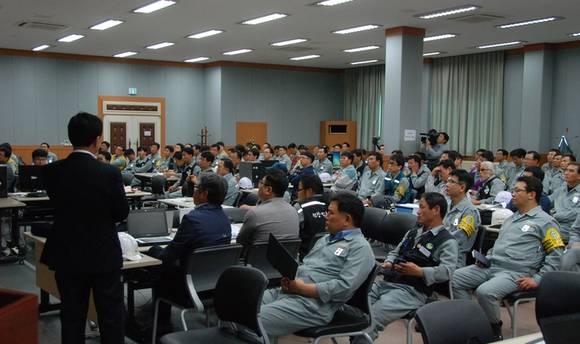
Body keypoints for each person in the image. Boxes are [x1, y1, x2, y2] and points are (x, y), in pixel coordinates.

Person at [41, 112, 129, 344]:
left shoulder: (52, 171)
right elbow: (121, 213)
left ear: (71, 138)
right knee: (110, 316)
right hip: (103, 253)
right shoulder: (109, 173)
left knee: (71, 316)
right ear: (98, 140)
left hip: (66, 251)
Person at [452, 176, 564, 339]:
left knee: (485, 292)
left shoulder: (546, 222)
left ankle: (493, 330)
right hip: (491, 265)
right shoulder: (511, 218)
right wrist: (486, 257)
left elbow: (556, 255)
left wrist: (538, 279)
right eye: (513, 190)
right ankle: (474, 320)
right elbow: (499, 245)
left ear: (532, 195)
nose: (513, 194)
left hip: (515, 273)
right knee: (455, 278)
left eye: (517, 190)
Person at [260, 193, 374, 341]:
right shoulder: (325, 239)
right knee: (238, 307)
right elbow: (307, 266)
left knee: (250, 321)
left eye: (331, 213)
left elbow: (344, 287)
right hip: (290, 292)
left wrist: (303, 289)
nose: (326, 216)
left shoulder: (360, 248)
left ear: (347, 219)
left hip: (313, 305)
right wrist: (291, 280)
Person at [353, 192, 458, 343]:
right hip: (388, 282)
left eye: (422, 207)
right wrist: (389, 261)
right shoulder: (414, 231)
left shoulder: (447, 241)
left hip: (411, 291)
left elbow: (447, 271)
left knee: (371, 321)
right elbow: (396, 251)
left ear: (436, 210)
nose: (418, 211)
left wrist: (420, 272)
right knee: (357, 312)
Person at [148, 174, 231, 329]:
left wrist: (152, 253)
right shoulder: (225, 219)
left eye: (196, 188)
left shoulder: (193, 218)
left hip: (188, 289)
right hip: (214, 287)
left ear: (204, 194)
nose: (193, 191)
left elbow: (169, 256)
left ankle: (160, 327)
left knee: (156, 262)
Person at [236, 169, 299, 246]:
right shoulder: (293, 211)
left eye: (261, 183)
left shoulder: (255, 213)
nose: (259, 186)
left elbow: (240, 242)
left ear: (268, 190)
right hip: (287, 257)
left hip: (258, 257)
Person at [444, 169, 481, 267]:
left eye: (451, 182)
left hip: (453, 258)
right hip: (438, 252)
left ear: (462, 187)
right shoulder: (446, 205)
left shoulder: (470, 212)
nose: (447, 184)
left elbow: (458, 240)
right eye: (447, 181)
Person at [294, 174, 327, 260]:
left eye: (299, 190)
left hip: (306, 257)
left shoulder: (300, 207)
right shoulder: (332, 205)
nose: (297, 193)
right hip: (328, 255)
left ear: (309, 191)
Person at [548, 162, 580, 243]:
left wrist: (555, 216)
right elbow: (548, 201)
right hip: (552, 225)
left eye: (571, 171)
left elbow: (576, 213)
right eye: (566, 170)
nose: (566, 173)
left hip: (569, 230)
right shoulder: (562, 189)